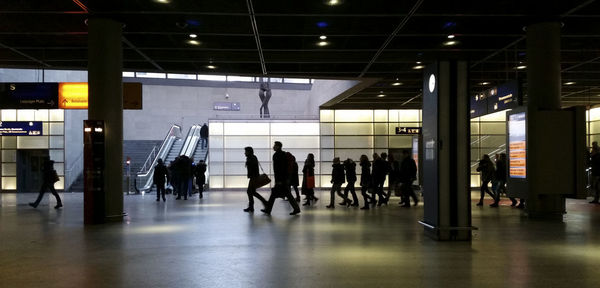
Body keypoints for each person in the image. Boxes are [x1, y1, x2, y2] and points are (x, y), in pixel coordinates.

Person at [262, 141, 300, 215]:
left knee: (280, 194)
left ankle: (268, 209)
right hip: (283, 179)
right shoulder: (282, 154)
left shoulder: (277, 155)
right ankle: (268, 209)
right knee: (284, 194)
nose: (273, 147)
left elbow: (279, 169)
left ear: (278, 146)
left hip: (281, 179)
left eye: (275, 145)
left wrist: (279, 180)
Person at [243, 147, 268, 212]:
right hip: (253, 177)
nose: (244, 153)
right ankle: (253, 206)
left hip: (254, 177)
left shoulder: (252, 158)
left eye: (245, 151)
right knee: (252, 192)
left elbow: (253, 168)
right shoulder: (251, 157)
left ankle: (264, 203)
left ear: (249, 152)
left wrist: (253, 177)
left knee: (250, 191)